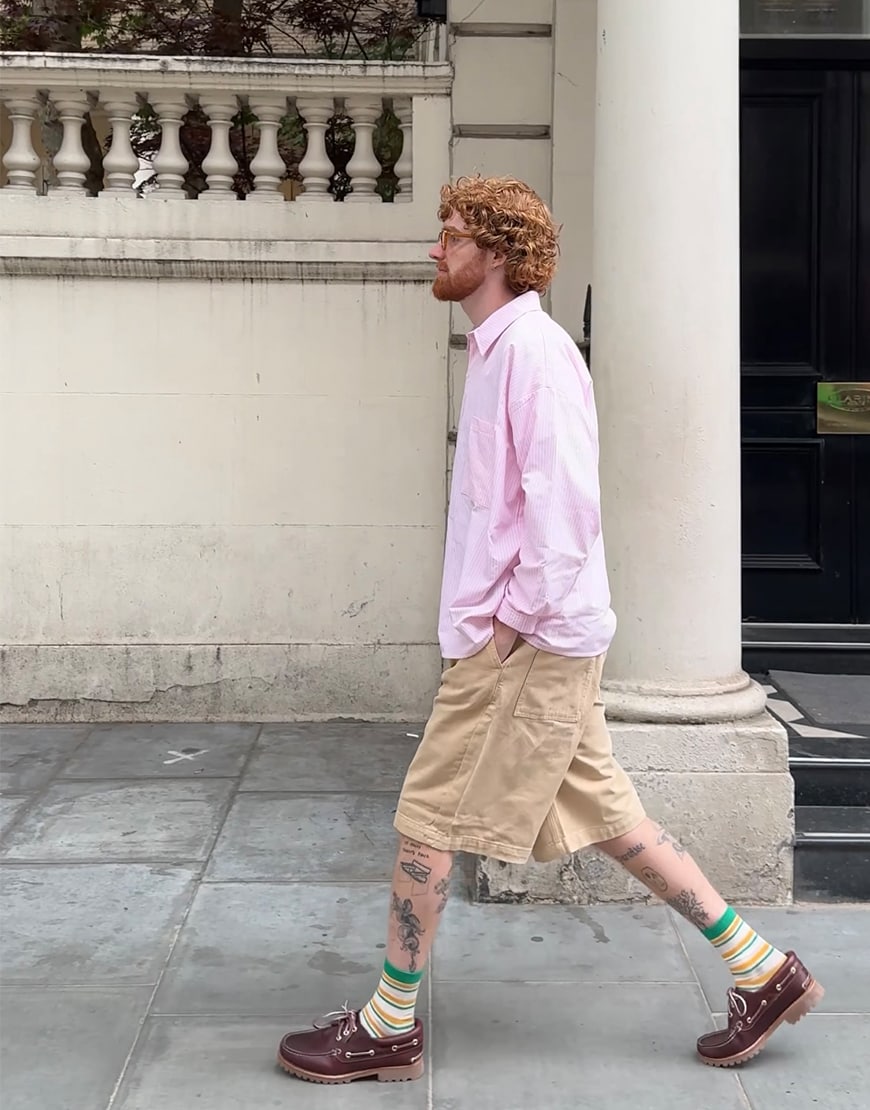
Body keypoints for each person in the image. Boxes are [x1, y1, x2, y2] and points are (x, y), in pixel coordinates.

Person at [276, 176, 822, 1084]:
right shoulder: (499, 350)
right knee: (608, 814)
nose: (436, 248)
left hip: (525, 645)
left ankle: (390, 1024)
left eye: (452, 234)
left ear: (496, 251)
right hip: (532, 640)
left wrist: (506, 628)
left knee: (427, 817)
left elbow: (564, 510)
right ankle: (762, 970)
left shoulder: (533, 352)